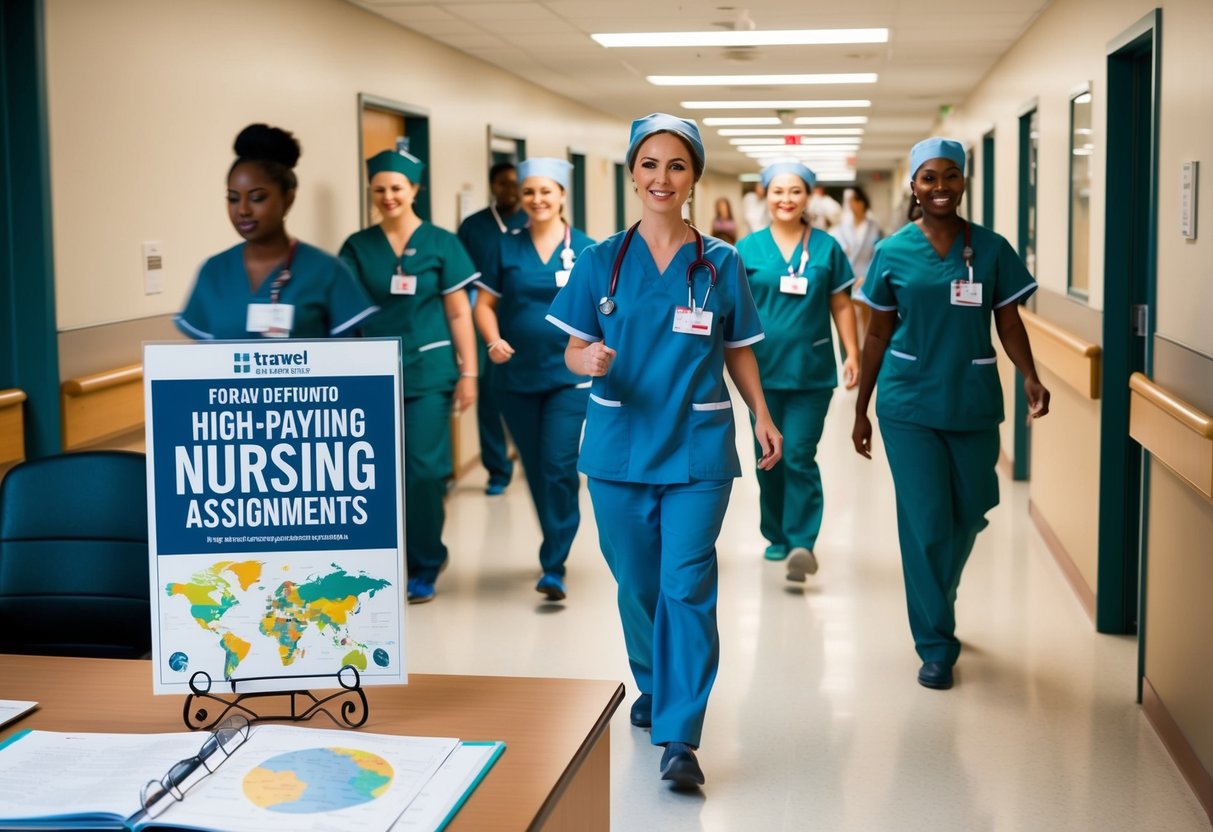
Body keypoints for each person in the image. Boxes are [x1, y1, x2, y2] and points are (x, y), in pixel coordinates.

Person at [547, 114, 782, 790]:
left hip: (696, 447)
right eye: (649, 164)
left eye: (676, 166)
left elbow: (736, 346)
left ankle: (680, 734)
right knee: (639, 585)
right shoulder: (600, 261)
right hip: (618, 447)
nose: (661, 177)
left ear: (694, 178)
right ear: (632, 173)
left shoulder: (721, 263)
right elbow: (568, 345)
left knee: (686, 584)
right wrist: (583, 354)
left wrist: (760, 414)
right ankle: (653, 680)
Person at [852, 138, 1050, 691]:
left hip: (972, 398)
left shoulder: (990, 248)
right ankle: (936, 642)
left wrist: (1030, 375)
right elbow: (876, 333)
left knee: (971, 509)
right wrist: (862, 408)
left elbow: (1008, 321)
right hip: (908, 403)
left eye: (950, 177)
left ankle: (938, 587)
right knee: (925, 522)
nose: (940, 187)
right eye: (928, 178)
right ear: (913, 187)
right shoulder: (893, 252)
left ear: (963, 183)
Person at [339, 149, 480, 605]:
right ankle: (381, 561)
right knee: (375, 474)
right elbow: (344, 314)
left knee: (422, 470)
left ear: (415, 190)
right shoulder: (358, 246)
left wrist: (469, 371)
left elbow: (459, 312)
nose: (388, 196)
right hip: (371, 375)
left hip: (430, 371)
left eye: (397, 188)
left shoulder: (442, 243)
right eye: (379, 189)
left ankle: (425, 562)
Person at [472, 158, 595, 602]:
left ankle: (554, 562)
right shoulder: (505, 246)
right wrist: (493, 340)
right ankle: (554, 544)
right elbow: (483, 305)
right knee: (538, 470)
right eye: (529, 193)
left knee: (560, 464)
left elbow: (604, 308)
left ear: (562, 195)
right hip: (516, 376)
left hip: (569, 375)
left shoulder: (586, 248)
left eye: (547, 192)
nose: (538, 200)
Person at [736, 162, 860, 581]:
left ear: (809, 196)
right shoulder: (747, 249)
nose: (786, 199)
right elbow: (733, 310)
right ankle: (775, 533)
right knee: (767, 455)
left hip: (811, 370)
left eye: (795, 192)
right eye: (778, 191)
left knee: (799, 454)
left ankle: (802, 541)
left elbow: (841, 303)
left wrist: (852, 352)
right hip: (761, 372)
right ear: (765, 195)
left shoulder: (826, 247)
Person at [177, 124, 376, 341]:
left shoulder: (327, 271)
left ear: (288, 198)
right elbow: (200, 364)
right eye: (233, 198)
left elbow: (354, 361)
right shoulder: (213, 273)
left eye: (257, 198)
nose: (243, 210)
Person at [458, 162, 526, 496]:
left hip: (525, 319)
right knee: (489, 397)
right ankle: (498, 470)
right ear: (492, 186)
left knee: (529, 393)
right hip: (482, 319)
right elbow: (458, 278)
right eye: (502, 183)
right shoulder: (474, 227)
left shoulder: (532, 221)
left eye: (515, 183)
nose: (509, 189)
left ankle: (531, 457)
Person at [831, 186, 883, 342]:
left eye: (854, 200)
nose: (851, 205)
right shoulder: (839, 229)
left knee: (867, 323)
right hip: (846, 280)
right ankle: (851, 353)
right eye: (848, 201)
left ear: (862, 202)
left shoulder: (874, 226)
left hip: (867, 279)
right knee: (848, 319)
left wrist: (867, 275)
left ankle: (864, 354)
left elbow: (878, 254)